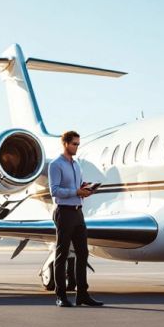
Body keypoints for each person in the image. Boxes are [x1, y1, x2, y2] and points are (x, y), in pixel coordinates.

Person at [48, 130, 103, 308]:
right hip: (64, 212)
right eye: (74, 144)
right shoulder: (56, 165)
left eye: (78, 144)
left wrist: (85, 189)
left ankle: (82, 295)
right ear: (65, 144)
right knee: (62, 254)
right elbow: (54, 191)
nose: (77, 147)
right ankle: (61, 296)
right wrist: (76, 192)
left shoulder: (76, 165)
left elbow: (76, 186)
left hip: (78, 212)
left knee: (83, 253)